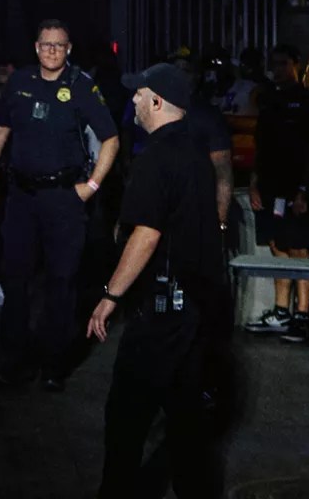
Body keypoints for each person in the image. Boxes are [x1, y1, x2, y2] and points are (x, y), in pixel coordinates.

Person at [87, 63, 238, 499]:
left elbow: (146, 234)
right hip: (193, 311)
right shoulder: (193, 151)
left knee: (126, 419)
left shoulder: (156, 157)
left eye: (139, 94)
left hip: (161, 316)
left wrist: (110, 295)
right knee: (186, 423)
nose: (132, 100)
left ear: (156, 102)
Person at [0, 18, 121, 386]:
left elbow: (111, 139)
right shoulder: (20, 82)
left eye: (59, 45)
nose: (51, 51)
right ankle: (14, 358)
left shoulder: (82, 87)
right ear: (36, 47)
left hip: (63, 198)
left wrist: (90, 186)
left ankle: (55, 364)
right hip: (22, 196)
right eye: (45, 45)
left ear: (69, 49)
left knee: (61, 281)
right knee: (15, 278)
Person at [244, 43, 309, 339]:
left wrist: (305, 191)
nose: (277, 69)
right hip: (270, 187)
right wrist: (255, 183)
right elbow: (260, 146)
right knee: (277, 245)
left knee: (299, 248)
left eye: (283, 63)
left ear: (296, 64)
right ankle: (282, 312)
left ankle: (303, 316)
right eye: (274, 64)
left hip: (297, 189)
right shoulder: (268, 100)